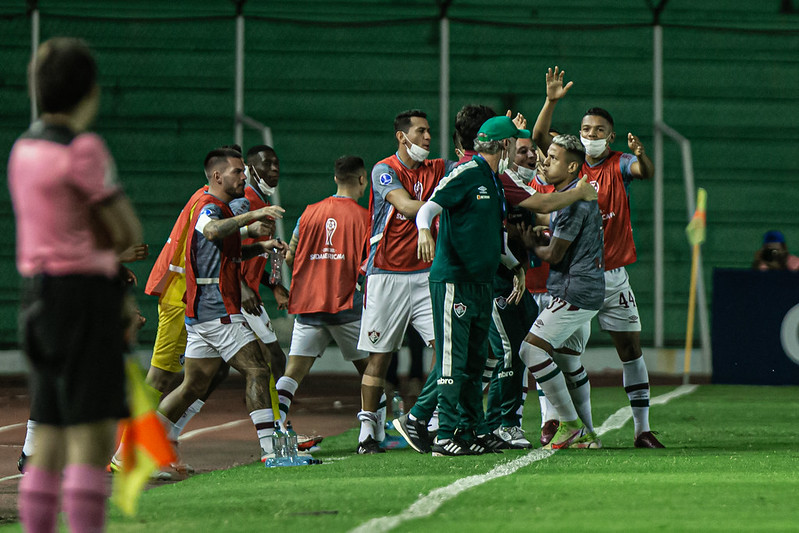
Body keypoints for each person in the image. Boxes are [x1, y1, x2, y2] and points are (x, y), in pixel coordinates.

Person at [9, 37, 143, 532]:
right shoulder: (84, 149)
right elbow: (127, 231)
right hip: (84, 298)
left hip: (37, 297)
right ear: (91, 90)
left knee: (47, 434)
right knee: (90, 437)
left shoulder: (23, 149)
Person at [533, 66, 664, 448]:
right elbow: (540, 137)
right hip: (576, 276)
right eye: (586, 130)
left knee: (630, 349)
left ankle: (642, 429)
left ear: (611, 136)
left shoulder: (619, 163)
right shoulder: (568, 163)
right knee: (556, 352)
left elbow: (644, 171)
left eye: (599, 131)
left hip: (613, 275)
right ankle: (558, 423)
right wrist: (550, 101)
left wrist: (643, 155)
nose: (591, 136)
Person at [155, 148, 287, 462]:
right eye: (237, 172)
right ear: (217, 176)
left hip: (203, 313)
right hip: (216, 309)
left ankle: (131, 451)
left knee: (192, 387)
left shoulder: (221, 208)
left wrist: (259, 245)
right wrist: (251, 217)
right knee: (258, 368)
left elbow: (228, 252)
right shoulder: (208, 206)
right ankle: (271, 451)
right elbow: (211, 230)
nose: (244, 177)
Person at [414, 115, 531, 456]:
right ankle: (445, 434)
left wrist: (514, 265)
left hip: (482, 281)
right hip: (455, 279)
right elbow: (428, 209)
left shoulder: (494, 180)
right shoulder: (467, 172)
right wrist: (424, 231)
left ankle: (471, 430)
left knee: (477, 361)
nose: (517, 148)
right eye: (515, 142)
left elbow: (492, 238)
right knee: (453, 360)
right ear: (505, 144)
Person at [355, 109, 455, 454]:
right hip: (386, 275)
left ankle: (431, 418)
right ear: (402, 136)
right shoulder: (384, 170)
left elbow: (473, 169)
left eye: (429, 131)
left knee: (444, 348)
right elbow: (406, 206)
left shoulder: (438, 167)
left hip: (427, 274)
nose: (428, 137)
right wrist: (441, 206)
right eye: (421, 131)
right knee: (379, 358)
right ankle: (368, 430)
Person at [518, 134, 604, 449]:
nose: (545, 162)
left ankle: (569, 425)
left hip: (573, 292)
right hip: (587, 289)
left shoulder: (573, 201)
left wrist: (531, 244)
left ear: (571, 167)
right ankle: (588, 434)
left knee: (530, 351)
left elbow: (554, 255)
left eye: (553, 158)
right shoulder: (567, 195)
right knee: (568, 362)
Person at [275, 156, 370, 439]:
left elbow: (290, 257)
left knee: (292, 373)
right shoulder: (364, 217)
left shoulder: (308, 213)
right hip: (346, 306)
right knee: (371, 373)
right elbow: (369, 264)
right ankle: (371, 434)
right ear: (362, 179)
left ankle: (274, 432)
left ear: (335, 178)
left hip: (309, 305)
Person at [239, 145, 290, 378]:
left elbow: (259, 254)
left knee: (266, 360)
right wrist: (242, 288)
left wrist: (274, 285)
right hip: (236, 296)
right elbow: (224, 251)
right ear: (251, 169)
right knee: (273, 358)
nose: (274, 168)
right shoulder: (244, 203)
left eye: (276, 163)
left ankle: (272, 403)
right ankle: (277, 405)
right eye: (267, 163)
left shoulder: (265, 206)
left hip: (246, 295)